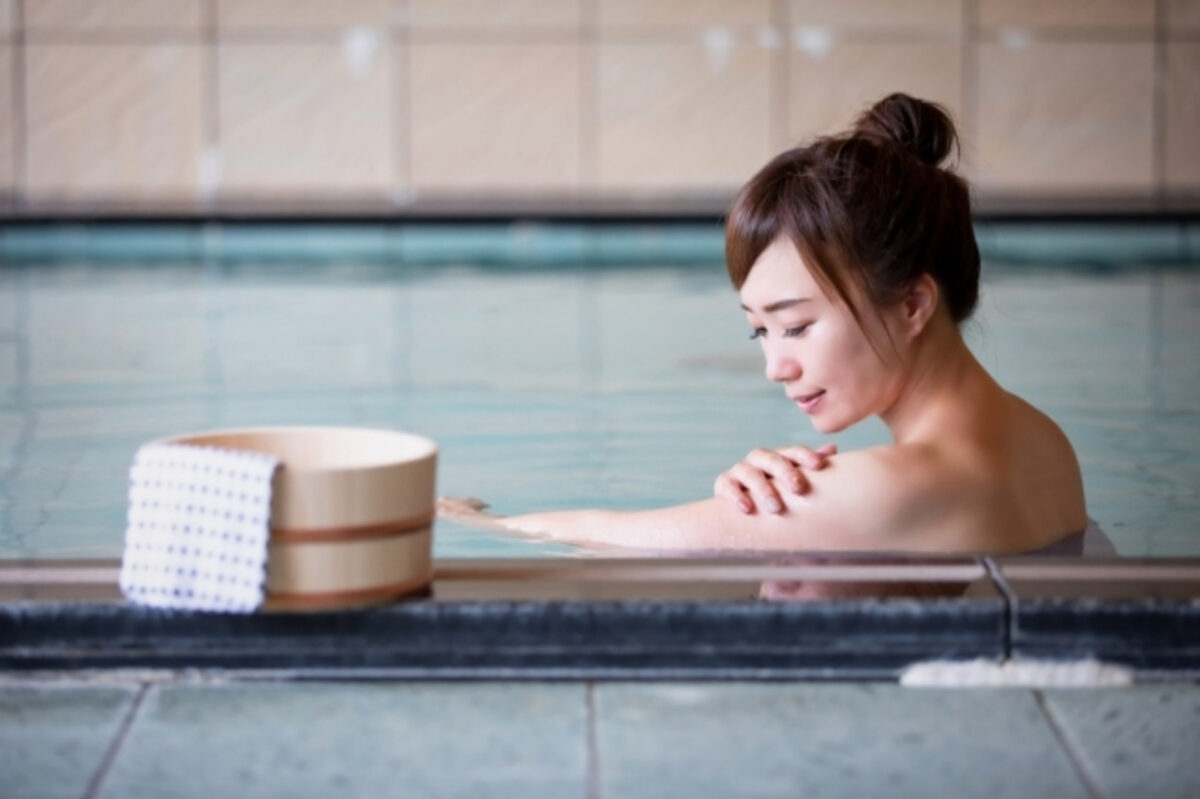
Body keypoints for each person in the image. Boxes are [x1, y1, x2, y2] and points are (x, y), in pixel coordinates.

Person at [438, 93, 1087, 555]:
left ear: (914, 305)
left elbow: (630, 540)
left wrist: (475, 521)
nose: (777, 367)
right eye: (760, 330)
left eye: (797, 326)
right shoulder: (1045, 441)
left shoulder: (891, 487)